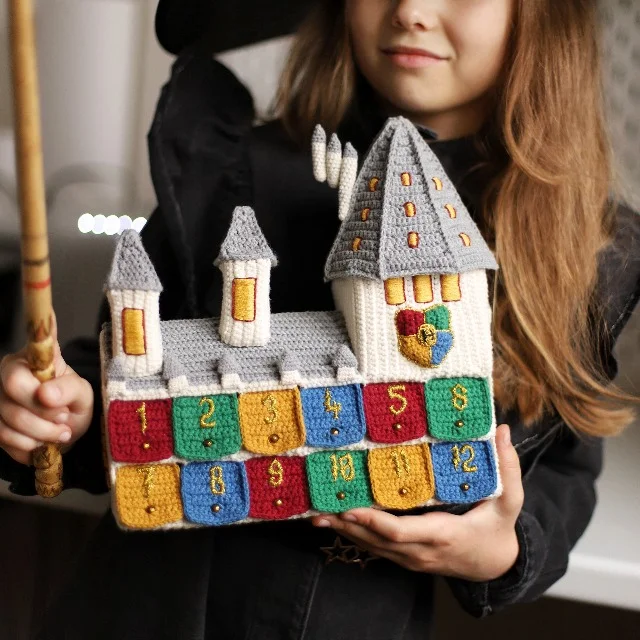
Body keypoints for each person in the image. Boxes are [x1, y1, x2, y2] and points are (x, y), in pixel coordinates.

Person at [1, 0, 639, 638]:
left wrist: (504, 550)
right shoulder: (228, 173)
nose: (412, 11)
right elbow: (122, 366)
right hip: (145, 608)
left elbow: (566, 469)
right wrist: (62, 413)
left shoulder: (579, 244)